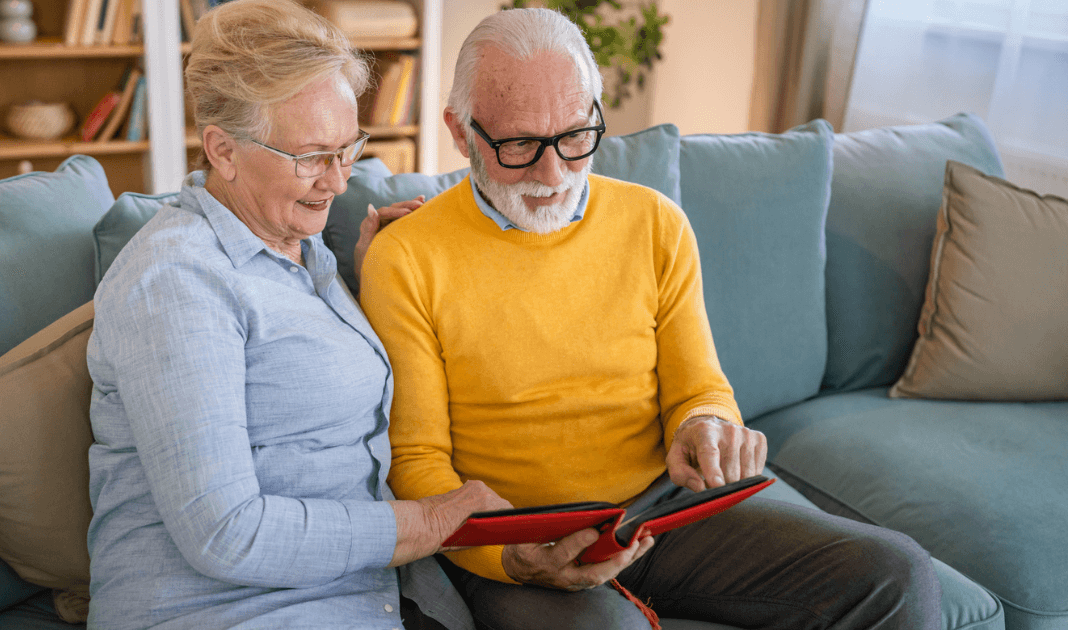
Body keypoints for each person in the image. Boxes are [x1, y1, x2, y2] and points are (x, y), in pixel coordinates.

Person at [360, 8, 942, 630]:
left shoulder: (656, 224)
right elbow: (417, 462)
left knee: (896, 574)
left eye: (576, 138)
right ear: (460, 130)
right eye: (520, 145)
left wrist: (708, 424)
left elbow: (699, 388)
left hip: (660, 514)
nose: (553, 175)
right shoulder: (406, 256)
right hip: (521, 536)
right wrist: (508, 557)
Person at [85, 1, 509, 628]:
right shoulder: (176, 281)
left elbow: (300, 383)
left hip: (354, 597)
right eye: (312, 156)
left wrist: (369, 284)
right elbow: (227, 533)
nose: (338, 182)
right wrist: (436, 520)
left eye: (349, 149)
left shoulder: (300, 250)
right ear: (223, 151)